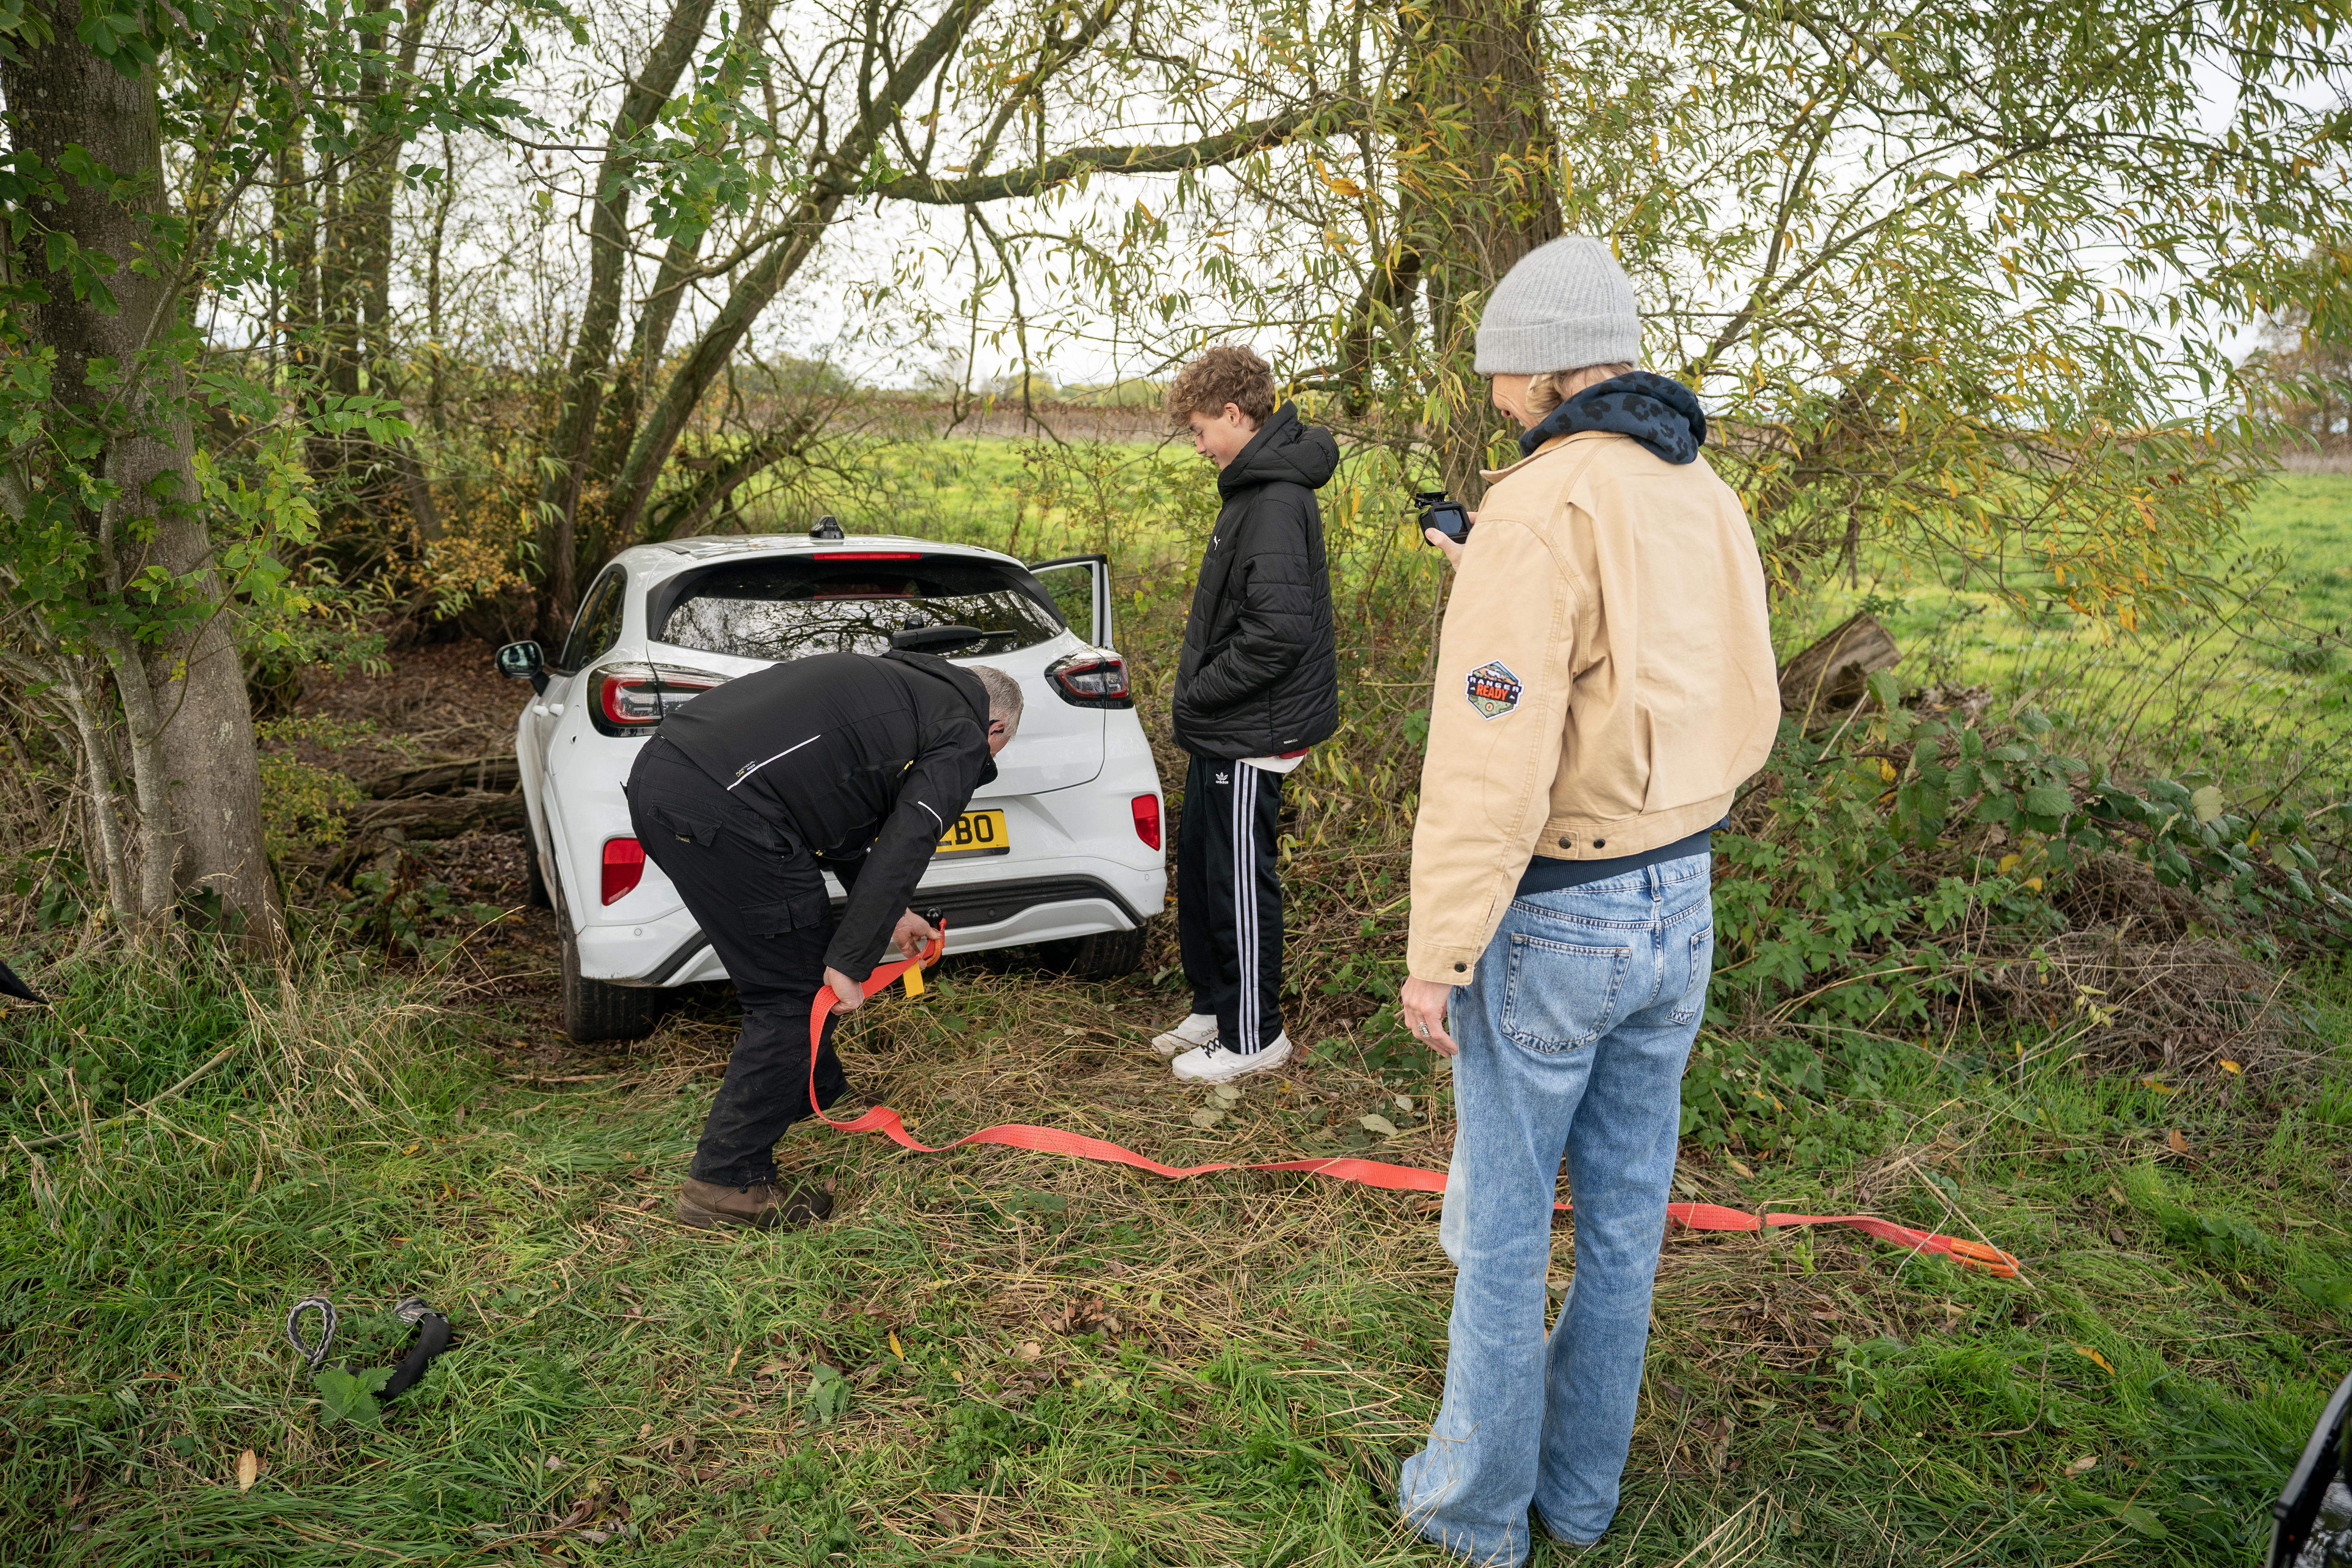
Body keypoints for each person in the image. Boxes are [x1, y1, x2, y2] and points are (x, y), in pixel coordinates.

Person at [1392, 235, 1780, 1562]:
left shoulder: (1543, 505)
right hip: (1682, 896)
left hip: (1558, 912)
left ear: (1533, 370)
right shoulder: (1699, 490)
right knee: (1622, 1221)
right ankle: (1582, 1498)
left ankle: (1475, 1516)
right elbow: (1691, 682)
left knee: (1501, 1234)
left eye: (1501, 372)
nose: (1497, 397)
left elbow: (1490, 752)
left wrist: (1439, 949)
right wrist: (1485, 577)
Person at [625, 648, 1023, 1231]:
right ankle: (725, 1184)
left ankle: (808, 1084)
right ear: (996, 725)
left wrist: (894, 917)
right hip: (728, 810)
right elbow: (908, 841)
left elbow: (841, 825)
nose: (979, 764)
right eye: (992, 756)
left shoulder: (899, 686)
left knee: (785, 971)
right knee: (792, 995)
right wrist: (849, 962)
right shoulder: (961, 730)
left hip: (662, 780)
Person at [1149, 346, 1341, 1083]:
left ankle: (1256, 1035)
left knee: (1238, 884)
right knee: (1200, 872)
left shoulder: (1276, 499)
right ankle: (1215, 1008)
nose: (1198, 447)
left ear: (1235, 414)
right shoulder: (1250, 488)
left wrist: (1196, 693)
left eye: (1201, 430)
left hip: (1251, 730)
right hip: (1226, 725)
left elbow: (1277, 636)